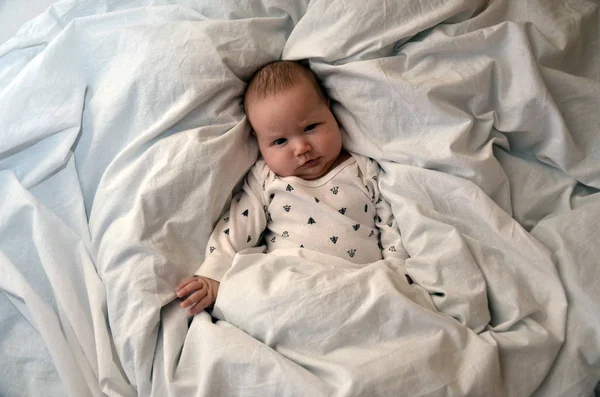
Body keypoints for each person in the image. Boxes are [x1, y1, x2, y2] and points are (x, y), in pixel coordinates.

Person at [176, 60, 409, 316]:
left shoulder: (362, 169)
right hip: (290, 281)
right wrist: (214, 274)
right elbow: (238, 226)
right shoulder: (266, 178)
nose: (301, 148)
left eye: (310, 127)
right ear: (259, 142)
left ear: (330, 111)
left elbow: (390, 225)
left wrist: (397, 274)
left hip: (360, 284)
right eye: (279, 141)